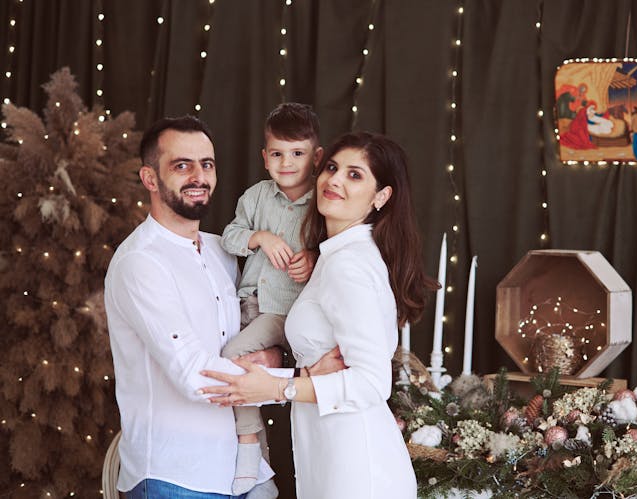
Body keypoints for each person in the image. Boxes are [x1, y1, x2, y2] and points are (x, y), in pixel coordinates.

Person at [105, 115, 342, 498]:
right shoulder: (141, 262)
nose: (198, 176)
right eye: (181, 165)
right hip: (174, 475)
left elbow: (259, 327)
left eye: (207, 164)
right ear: (150, 178)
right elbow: (194, 375)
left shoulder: (223, 252)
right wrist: (307, 382)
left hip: (241, 467)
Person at [199, 131, 439, 499]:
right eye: (332, 168)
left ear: (381, 197)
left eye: (355, 175)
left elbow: (373, 383)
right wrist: (293, 372)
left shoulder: (350, 265)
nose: (335, 180)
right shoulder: (332, 258)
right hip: (329, 453)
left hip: (357, 465)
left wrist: (278, 387)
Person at [219, 103, 322, 494]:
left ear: (317, 157)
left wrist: (312, 259)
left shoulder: (321, 204)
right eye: (277, 154)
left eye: (297, 154)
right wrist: (259, 237)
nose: (287, 163)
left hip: (283, 311)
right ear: (265, 158)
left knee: (231, 359)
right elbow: (230, 235)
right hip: (246, 305)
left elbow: (331, 252)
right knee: (241, 375)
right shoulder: (257, 197)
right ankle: (259, 470)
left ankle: (249, 446)